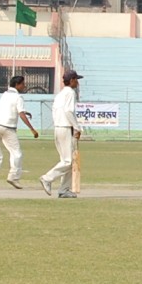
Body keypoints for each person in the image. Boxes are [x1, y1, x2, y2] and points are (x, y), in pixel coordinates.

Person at [0, 74, 40, 188]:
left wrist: (25, 112)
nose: (24, 86)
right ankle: (13, 177)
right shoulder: (18, 97)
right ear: (17, 85)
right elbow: (20, 114)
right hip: (8, 127)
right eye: (23, 84)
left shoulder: (4, 95)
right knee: (16, 153)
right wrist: (32, 129)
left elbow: (11, 109)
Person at [39, 69, 83, 199]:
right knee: (69, 161)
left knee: (67, 161)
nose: (78, 83)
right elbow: (69, 111)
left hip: (59, 127)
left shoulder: (60, 94)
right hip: (65, 128)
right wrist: (77, 128)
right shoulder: (70, 92)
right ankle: (47, 178)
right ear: (71, 80)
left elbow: (56, 111)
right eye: (76, 80)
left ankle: (64, 190)